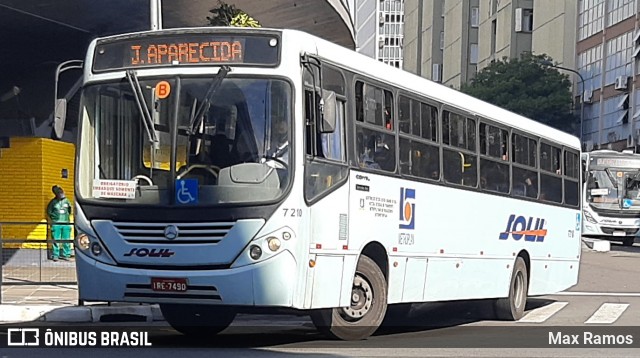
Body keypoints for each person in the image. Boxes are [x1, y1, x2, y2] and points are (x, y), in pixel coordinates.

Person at [47, 185, 73, 261]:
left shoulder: (67, 201)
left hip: (66, 223)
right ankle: (55, 255)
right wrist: (54, 218)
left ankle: (66, 254)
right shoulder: (53, 202)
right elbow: (49, 212)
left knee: (66, 239)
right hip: (56, 223)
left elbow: (69, 210)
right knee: (56, 239)